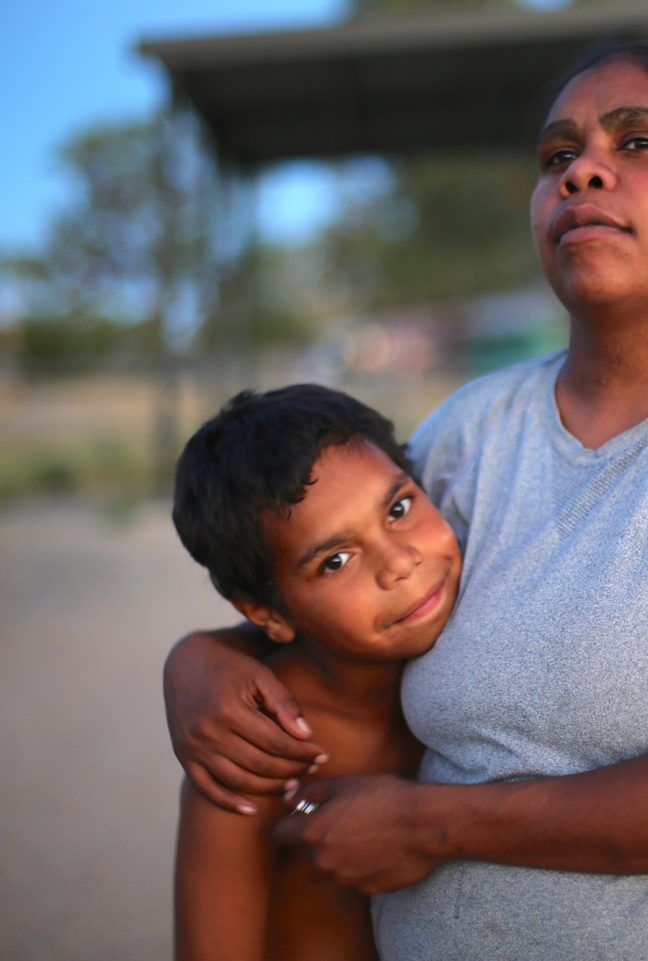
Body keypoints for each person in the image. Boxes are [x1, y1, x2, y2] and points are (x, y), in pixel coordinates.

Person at [165, 42, 648, 961]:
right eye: (555, 157)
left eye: (641, 142)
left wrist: (431, 825)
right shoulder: (467, 432)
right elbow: (346, 604)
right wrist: (205, 661)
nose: (583, 170)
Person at [169, 385, 462, 961]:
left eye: (399, 508)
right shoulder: (256, 749)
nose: (400, 564)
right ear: (267, 615)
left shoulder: (481, 648)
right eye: (335, 561)